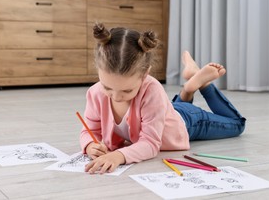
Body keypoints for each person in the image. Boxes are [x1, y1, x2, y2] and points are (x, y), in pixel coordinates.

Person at [79, 23, 246, 174]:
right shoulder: (95, 93)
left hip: (189, 121)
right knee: (170, 109)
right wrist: (89, 145)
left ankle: (202, 85)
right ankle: (189, 87)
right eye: (107, 87)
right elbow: (89, 130)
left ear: (145, 74)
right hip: (166, 112)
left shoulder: (153, 90)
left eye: (127, 90)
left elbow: (151, 144)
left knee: (237, 125)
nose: (116, 97)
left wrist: (119, 156)